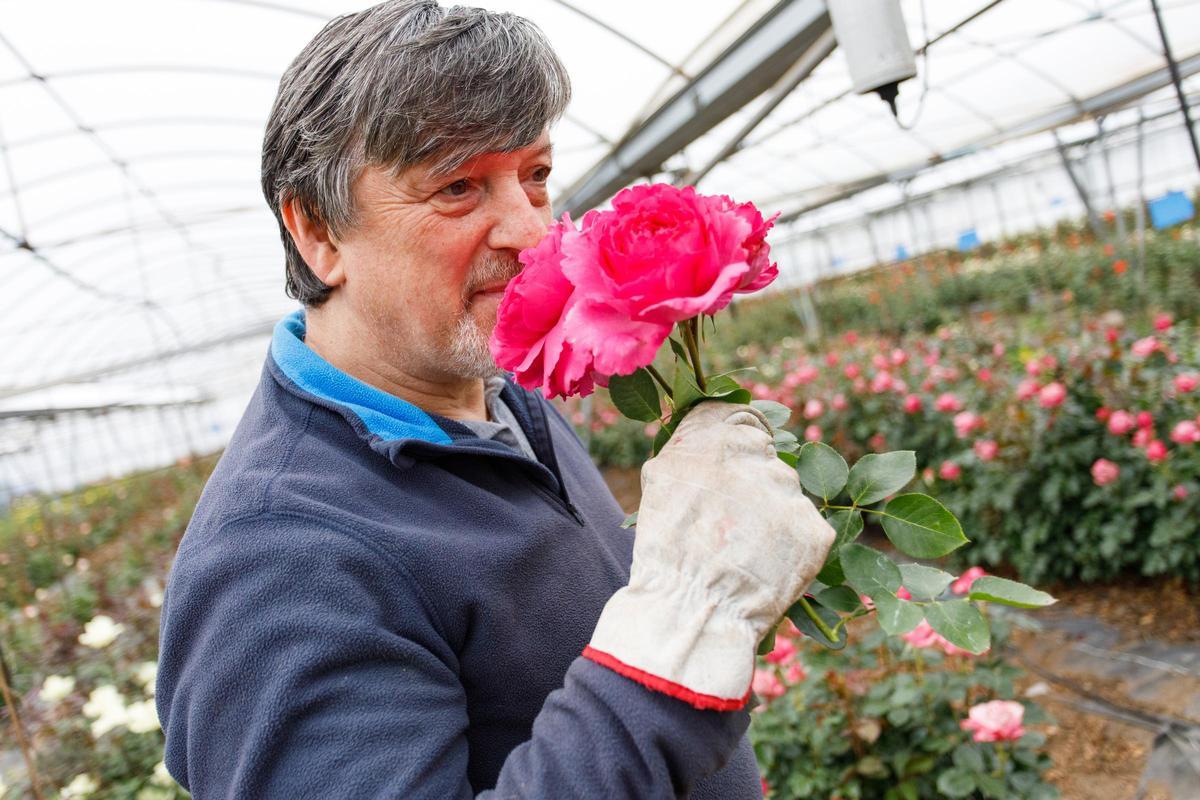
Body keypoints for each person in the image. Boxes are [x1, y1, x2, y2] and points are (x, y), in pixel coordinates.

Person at [155, 2, 835, 797]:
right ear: (319, 234)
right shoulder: (279, 563)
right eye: (457, 187)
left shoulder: (508, 400)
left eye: (537, 176)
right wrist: (684, 628)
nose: (534, 231)